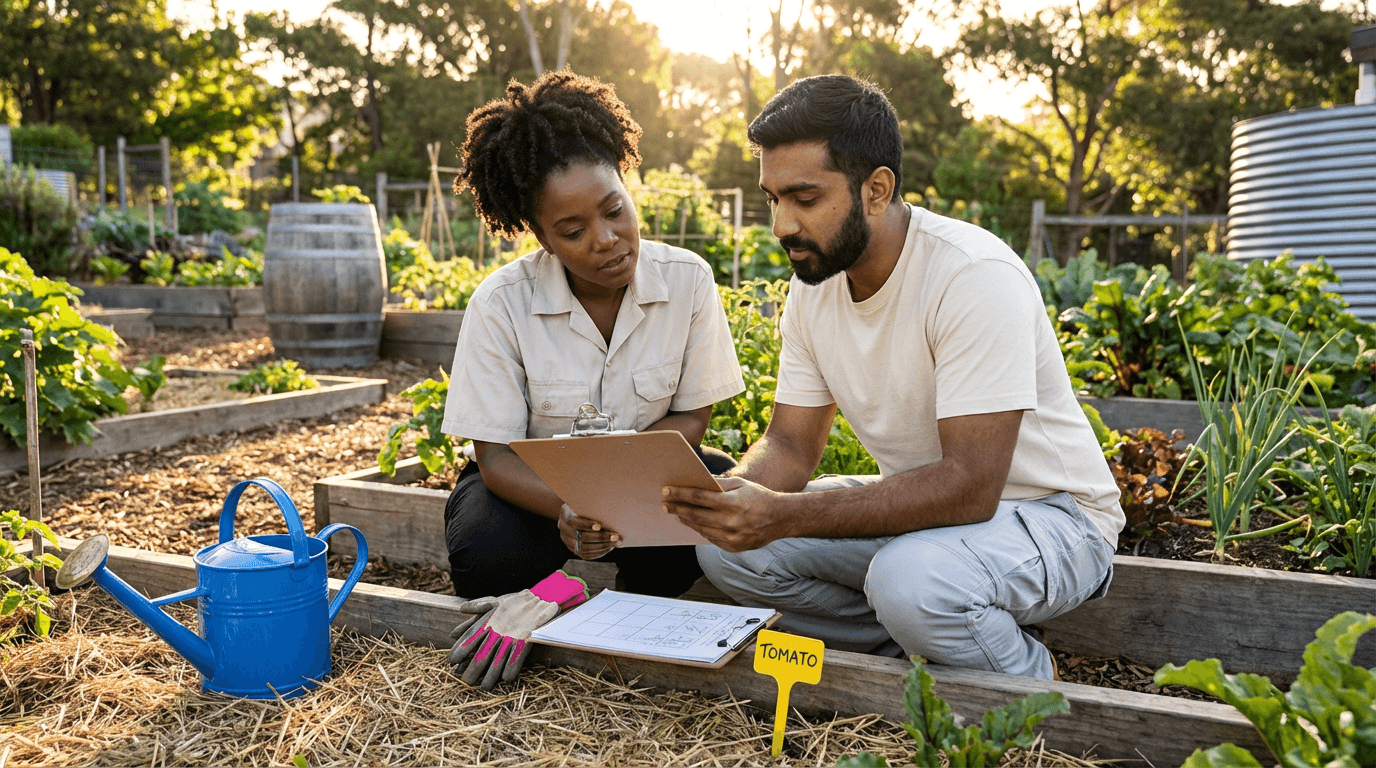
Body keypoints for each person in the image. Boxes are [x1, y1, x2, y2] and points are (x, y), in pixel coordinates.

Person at [661, 75, 1125, 681]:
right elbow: (791, 446)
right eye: (773, 199)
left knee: (910, 580)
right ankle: (928, 646)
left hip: (1054, 519)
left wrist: (783, 514)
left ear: (876, 189)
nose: (781, 225)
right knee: (729, 554)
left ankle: (1033, 689)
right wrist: (733, 500)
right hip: (927, 527)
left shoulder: (971, 275)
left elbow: (970, 485)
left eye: (804, 198)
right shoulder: (816, 287)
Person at [441, 71, 745, 601]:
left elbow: (693, 417)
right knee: (484, 552)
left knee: (716, 495)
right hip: (535, 490)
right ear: (542, 236)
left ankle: (639, 601)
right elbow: (495, 457)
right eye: (574, 231)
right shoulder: (502, 303)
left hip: (647, 479)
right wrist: (569, 508)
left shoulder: (688, 280)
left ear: (628, 189)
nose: (607, 240)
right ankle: (558, 598)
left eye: (614, 210)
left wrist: (618, 494)